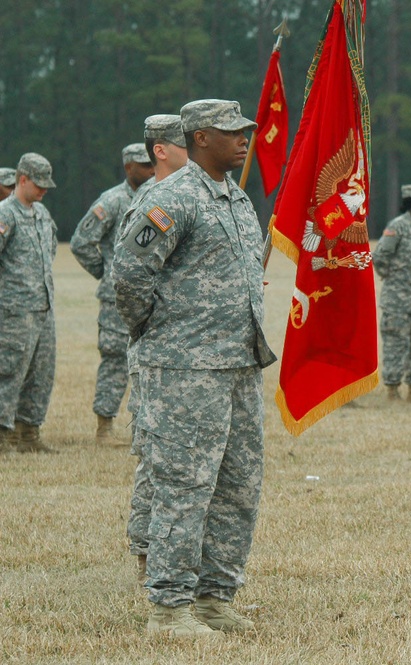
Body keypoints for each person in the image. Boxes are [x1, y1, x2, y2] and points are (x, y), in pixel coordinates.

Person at [113, 99, 275, 639]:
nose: (244, 140)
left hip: (238, 365)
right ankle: (170, 608)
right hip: (184, 371)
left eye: (246, 131)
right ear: (199, 138)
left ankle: (214, 597)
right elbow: (130, 277)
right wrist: (161, 334)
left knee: (237, 486)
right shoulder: (171, 197)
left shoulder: (235, 198)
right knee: (184, 487)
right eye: (231, 132)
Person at [123, 113, 189, 580]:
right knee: (157, 453)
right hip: (162, 352)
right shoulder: (155, 202)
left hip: (195, 354)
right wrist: (152, 327)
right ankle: (147, 552)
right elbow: (130, 280)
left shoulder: (199, 197)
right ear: (160, 149)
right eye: (183, 142)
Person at [70, 143, 154, 445]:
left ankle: (146, 428)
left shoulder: (157, 197)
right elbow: (81, 241)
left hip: (151, 297)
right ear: (128, 167)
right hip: (117, 300)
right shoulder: (113, 200)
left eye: (153, 164)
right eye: (144, 165)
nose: (151, 169)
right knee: (115, 359)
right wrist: (106, 273)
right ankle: (104, 427)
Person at [0, 153, 59, 454]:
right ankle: (3, 435)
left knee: (41, 371)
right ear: (22, 180)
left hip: (43, 308)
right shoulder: (5, 214)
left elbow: (50, 251)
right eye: (38, 184)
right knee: (9, 371)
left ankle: (28, 433)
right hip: (14, 310)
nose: (43, 190)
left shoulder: (41, 214)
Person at [372, 183, 411, 403]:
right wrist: (391, 276)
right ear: (409, 203)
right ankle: (392, 388)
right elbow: (379, 256)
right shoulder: (397, 226)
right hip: (397, 299)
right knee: (396, 344)